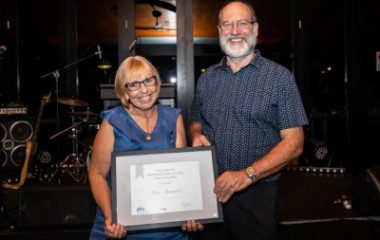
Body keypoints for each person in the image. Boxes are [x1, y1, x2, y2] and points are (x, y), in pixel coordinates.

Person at [189, 1, 309, 240]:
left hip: (258, 195)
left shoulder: (279, 78)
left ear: (255, 29)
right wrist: (195, 134)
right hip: (210, 192)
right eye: (228, 24)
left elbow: (295, 143)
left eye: (242, 23)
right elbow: (195, 119)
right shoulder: (207, 79)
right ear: (220, 30)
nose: (234, 31)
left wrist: (246, 175)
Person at [88, 55, 203, 240]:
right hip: (120, 226)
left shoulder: (174, 117)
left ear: (156, 82)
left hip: (168, 228)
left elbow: (182, 175)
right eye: (134, 84)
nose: (144, 90)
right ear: (124, 90)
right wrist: (111, 217)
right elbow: (97, 174)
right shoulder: (112, 121)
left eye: (148, 80)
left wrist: (190, 211)